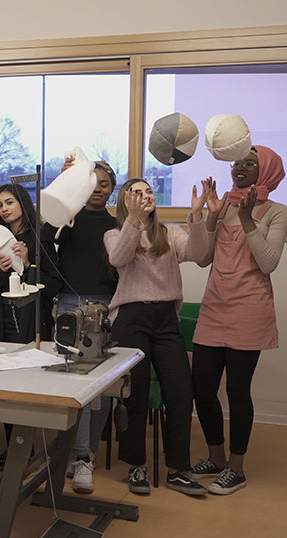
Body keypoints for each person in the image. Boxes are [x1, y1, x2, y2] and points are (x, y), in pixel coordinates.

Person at [190, 146, 287, 495]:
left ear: (267, 171)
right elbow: (202, 258)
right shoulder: (224, 205)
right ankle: (216, 458)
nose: (239, 168)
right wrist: (207, 218)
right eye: (236, 163)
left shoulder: (278, 212)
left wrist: (247, 219)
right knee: (202, 387)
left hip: (250, 311)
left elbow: (268, 262)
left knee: (236, 390)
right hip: (214, 309)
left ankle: (236, 468)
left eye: (250, 164)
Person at [104, 177, 209, 496]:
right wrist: (134, 221)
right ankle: (136, 466)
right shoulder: (114, 234)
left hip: (165, 319)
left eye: (148, 191)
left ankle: (178, 470)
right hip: (130, 319)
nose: (145, 196)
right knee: (134, 393)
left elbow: (199, 254)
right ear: (124, 202)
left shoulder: (169, 232)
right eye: (136, 193)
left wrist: (197, 216)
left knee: (180, 392)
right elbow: (118, 259)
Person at [44, 160, 118, 494]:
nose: (98, 188)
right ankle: (82, 454)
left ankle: (86, 452)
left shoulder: (116, 224)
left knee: (101, 387)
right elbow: (44, 237)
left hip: (106, 306)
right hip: (70, 305)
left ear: (112, 188)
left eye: (104, 183)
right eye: (93, 182)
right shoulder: (69, 218)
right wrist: (65, 183)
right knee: (76, 382)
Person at [0, 182, 61, 344]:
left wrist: (28, 265)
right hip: (3, 317)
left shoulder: (41, 238)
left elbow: (53, 286)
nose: (4, 209)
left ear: (23, 203)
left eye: (9, 202)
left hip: (34, 318)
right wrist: (1, 270)